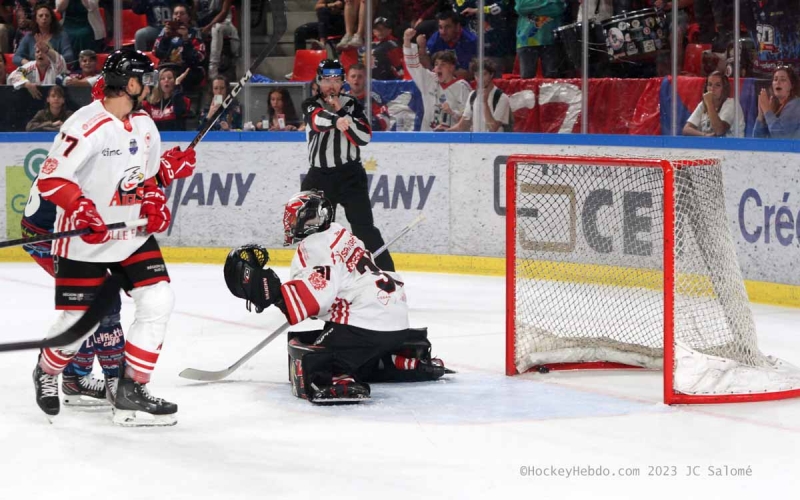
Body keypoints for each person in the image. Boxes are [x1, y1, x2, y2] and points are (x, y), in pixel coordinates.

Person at [31, 48, 195, 427]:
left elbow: (146, 177)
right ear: (131, 83)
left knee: (158, 298)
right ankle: (47, 370)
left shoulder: (145, 125)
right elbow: (51, 178)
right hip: (85, 240)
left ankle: (131, 388)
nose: (152, 86)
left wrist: (153, 200)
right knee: (80, 321)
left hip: (131, 235)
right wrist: (82, 209)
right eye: (146, 79)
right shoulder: (84, 125)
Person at [223, 191, 449, 403]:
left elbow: (318, 297)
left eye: (294, 219)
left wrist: (273, 295)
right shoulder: (340, 233)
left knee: (320, 357)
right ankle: (397, 360)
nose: (290, 224)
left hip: (367, 322)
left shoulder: (314, 246)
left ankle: (338, 376)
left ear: (308, 221)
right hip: (397, 322)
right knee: (344, 336)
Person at [300, 59, 395, 272]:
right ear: (318, 81)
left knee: (364, 229)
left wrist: (342, 112)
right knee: (314, 231)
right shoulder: (310, 104)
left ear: (343, 81)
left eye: (336, 79)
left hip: (350, 175)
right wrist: (336, 120)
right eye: (326, 80)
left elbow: (364, 136)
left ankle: (388, 276)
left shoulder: (351, 105)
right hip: (319, 177)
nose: (331, 85)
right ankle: (316, 278)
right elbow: (316, 120)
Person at [403, 27, 472, 131]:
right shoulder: (429, 80)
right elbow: (412, 65)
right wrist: (407, 40)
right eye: (436, 64)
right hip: (429, 137)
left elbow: (468, 118)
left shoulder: (462, 87)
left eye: (443, 64)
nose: (438, 67)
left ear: (452, 68)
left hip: (453, 138)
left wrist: (452, 112)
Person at [152, 3, 206, 91]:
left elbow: (198, 58)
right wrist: (165, 38)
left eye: (182, 13)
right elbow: (156, 53)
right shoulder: (165, 31)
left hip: (186, 70)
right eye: (176, 13)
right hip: (167, 68)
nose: (178, 16)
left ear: (188, 17)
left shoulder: (195, 33)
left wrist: (186, 40)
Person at [447, 58, 510, 132]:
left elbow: (493, 128)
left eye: (484, 74)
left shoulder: (502, 98)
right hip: (477, 142)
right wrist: (444, 131)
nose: (480, 79)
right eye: (477, 75)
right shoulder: (472, 95)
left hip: (495, 143)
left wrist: (485, 102)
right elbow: (462, 126)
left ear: (491, 74)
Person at [683, 71, 745, 137]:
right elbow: (686, 129)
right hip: (709, 145)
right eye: (710, 85)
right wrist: (704, 135)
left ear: (724, 89)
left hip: (731, 146)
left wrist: (709, 103)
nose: (712, 89)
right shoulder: (703, 104)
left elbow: (719, 131)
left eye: (717, 85)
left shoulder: (731, 104)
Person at [417, 10, 477, 78]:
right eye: (440, 27)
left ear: (457, 27)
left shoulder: (471, 41)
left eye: (447, 27)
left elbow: (470, 73)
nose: (443, 32)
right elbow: (427, 66)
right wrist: (422, 48)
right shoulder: (436, 39)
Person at [13, 3, 74, 69]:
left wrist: (49, 52)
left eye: (47, 15)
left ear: (51, 19)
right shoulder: (29, 37)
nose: (44, 18)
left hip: (55, 70)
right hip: (33, 71)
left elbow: (69, 57)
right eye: (41, 16)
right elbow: (16, 57)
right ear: (36, 19)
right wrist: (30, 65)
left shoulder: (61, 35)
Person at [515, 0, 565, 78]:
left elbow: (558, 8)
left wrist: (532, 10)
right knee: (527, 82)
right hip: (526, 40)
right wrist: (546, 2)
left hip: (551, 39)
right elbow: (520, 7)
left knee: (553, 82)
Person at [195, 0, 240, 79]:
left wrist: (208, 27)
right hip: (204, 24)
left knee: (217, 28)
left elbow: (224, 13)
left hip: (225, 24)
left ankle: (213, 69)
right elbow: (194, 12)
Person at [754, 66, 800, 139]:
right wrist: (761, 115)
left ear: (792, 85)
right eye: (775, 79)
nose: (778, 82)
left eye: (783, 79)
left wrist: (767, 110)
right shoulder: (774, 105)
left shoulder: (796, 104)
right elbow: (758, 139)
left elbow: (780, 136)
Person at [142, 65, 191, 131]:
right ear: (158, 83)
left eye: (170, 78)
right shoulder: (149, 104)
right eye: (162, 78)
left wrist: (177, 85)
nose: (166, 80)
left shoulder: (182, 100)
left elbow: (180, 112)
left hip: (175, 139)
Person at [346, 62, 392, 131]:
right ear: (347, 79)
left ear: (366, 79)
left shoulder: (374, 98)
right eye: (353, 76)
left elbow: (386, 120)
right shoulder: (340, 99)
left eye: (360, 76)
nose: (356, 79)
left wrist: (370, 122)